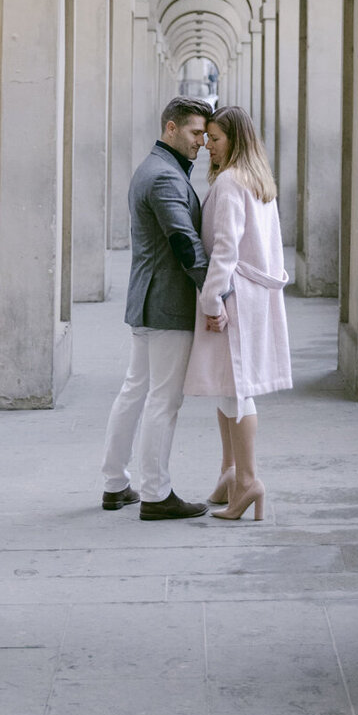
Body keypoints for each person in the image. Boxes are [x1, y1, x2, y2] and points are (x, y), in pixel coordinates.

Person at [100, 97, 212, 520]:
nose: (201, 142)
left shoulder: (152, 168)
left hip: (146, 301)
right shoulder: (165, 177)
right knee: (164, 399)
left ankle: (115, 484)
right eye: (195, 132)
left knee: (135, 390)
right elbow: (184, 243)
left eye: (204, 134)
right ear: (171, 128)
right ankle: (155, 493)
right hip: (167, 304)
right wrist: (216, 294)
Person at [183, 105, 292, 521]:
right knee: (228, 386)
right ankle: (230, 472)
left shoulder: (230, 182)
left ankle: (247, 480)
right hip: (252, 297)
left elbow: (224, 251)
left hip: (234, 299)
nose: (207, 146)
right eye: (207, 138)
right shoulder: (257, 180)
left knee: (236, 389)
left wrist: (212, 303)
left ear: (235, 140)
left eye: (216, 139)